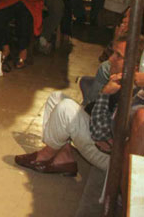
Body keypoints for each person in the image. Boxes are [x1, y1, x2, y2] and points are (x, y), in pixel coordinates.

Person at [14, 36, 144, 176]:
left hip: (110, 159)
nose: (111, 59)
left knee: (65, 108)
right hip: (101, 141)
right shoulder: (121, 81)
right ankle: (64, 158)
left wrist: (105, 94)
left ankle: (45, 155)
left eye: (118, 56)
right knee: (56, 98)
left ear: (135, 66)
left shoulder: (133, 93)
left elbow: (99, 134)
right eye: (113, 53)